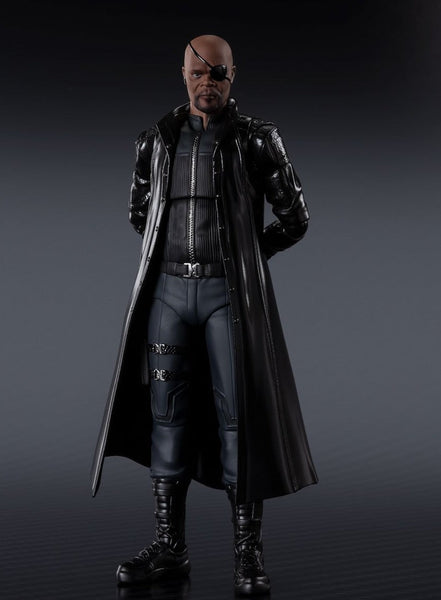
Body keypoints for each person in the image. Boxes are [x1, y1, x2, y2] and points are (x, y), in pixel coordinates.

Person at [90, 34, 319, 596]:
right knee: (166, 419)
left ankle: (247, 554)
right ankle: (170, 547)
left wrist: (246, 255)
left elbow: (295, 217)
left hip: (226, 298)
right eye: (198, 73)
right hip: (168, 295)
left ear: (232, 76)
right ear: (183, 75)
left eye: (217, 73)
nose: (207, 83)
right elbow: (139, 212)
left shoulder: (257, 139)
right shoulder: (156, 141)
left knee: (239, 421)